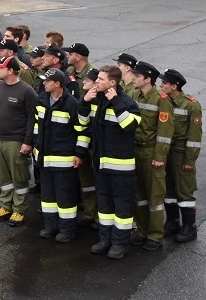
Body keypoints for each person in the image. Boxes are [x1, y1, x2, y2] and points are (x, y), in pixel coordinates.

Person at [80, 65, 140, 260]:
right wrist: (84, 102)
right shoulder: (96, 100)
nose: (96, 82)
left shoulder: (128, 103)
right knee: (104, 207)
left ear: (112, 83)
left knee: (122, 208)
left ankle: (119, 243)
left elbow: (129, 126)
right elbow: (82, 124)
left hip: (121, 168)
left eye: (101, 79)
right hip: (101, 165)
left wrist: (115, 102)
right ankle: (105, 240)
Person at [127, 61, 174, 251]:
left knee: (154, 196)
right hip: (135, 151)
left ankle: (155, 235)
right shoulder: (133, 94)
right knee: (139, 194)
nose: (133, 78)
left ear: (148, 79)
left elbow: (165, 133)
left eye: (137, 76)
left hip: (151, 152)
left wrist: (159, 157)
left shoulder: (161, 100)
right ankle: (142, 231)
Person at [35, 68, 85, 242]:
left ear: (57, 84)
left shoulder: (72, 104)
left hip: (64, 160)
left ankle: (67, 230)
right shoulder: (41, 100)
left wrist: (79, 153)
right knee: (48, 197)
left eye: (47, 81)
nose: (44, 83)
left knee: (65, 197)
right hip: (45, 158)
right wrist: (36, 144)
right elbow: (36, 125)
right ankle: (50, 226)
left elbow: (82, 132)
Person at [0, 56, 37, 227]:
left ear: (10, 70)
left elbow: (32, 119)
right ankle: (5, 205)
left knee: (19, 177)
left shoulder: (26, 91)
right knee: (2, 176)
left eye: (1, 68)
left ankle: (19, 209)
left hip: (16, 141)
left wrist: (28, 142)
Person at [158, 68, 201, 242]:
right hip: (166, 152)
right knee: (168, 190)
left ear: (174, 86)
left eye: (164, 83)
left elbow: (194, 137)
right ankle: (172, 222)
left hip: (181, 154)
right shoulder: (164, 101)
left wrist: (189, 160)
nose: (161, 85)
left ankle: (189, 227)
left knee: (184, 192)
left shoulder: (191, 105)